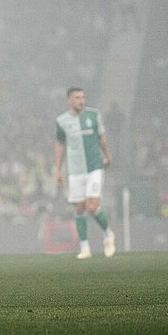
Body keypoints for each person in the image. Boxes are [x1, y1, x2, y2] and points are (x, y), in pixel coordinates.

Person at [55, 87, 115, 259]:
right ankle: (85, 248)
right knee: (79, 209)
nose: (81, 101)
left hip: (94, 167)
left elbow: (101, 138)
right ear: (69, 100)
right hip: (75, 170)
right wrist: (58, 170)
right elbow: (60, 145)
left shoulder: (93, 115)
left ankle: (108, 235)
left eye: (83, 97)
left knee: (92, 205)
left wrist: (108, 156)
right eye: (77, 98)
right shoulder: (61, 121)